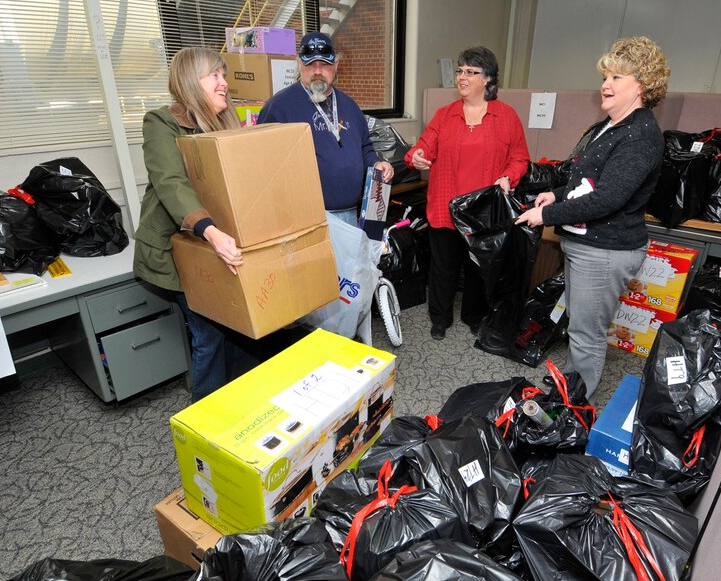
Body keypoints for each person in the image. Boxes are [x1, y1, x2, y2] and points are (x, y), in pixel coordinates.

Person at [516, 36, 671, 398]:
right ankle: (569, 385)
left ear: (642, 86)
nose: (606, 84)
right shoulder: (610, 125)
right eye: (606, 76)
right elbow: (586, 179)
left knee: (587, 332)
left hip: (604, 250)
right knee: (580, 325)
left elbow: (608, 198)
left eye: (618, 77)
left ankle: (574, 406)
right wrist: (556, 193)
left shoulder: (640, 135)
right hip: (585, 243)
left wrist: (547, 214)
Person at [134, 47, 258, 402]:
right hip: (180, 249)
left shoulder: (225, 121)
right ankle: (205, 421)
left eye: (224, 74)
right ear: (191, 82)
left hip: (218, 245)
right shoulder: (160, 122)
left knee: (237, 329)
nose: (224, 83)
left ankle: (238, 401)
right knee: (211, 334)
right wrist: (212, 232)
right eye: (215, 76)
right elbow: (172, 184)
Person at [405, 46, 529, 341]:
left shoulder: (506, 116)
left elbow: (520, 158)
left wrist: (507, 177)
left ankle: (473, 316)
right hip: (446, 206)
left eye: (471, 72)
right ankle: (439, 318)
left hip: (483, 211)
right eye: (460, 70)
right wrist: (417, 156)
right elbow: (419, 150)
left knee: (477, 269)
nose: (462, 77)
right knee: (443, 268)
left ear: (488, 79)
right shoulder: (444, 116)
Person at [258, 32, 394, 225]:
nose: (318, 71)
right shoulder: (278, 107)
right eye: (310, 64)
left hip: (351, 215)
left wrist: (377, 163)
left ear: (336, 66)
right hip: (306, 219)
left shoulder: (350, 106)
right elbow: (264, 165)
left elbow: (365, 148)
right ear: (299, 65)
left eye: (324, 64)